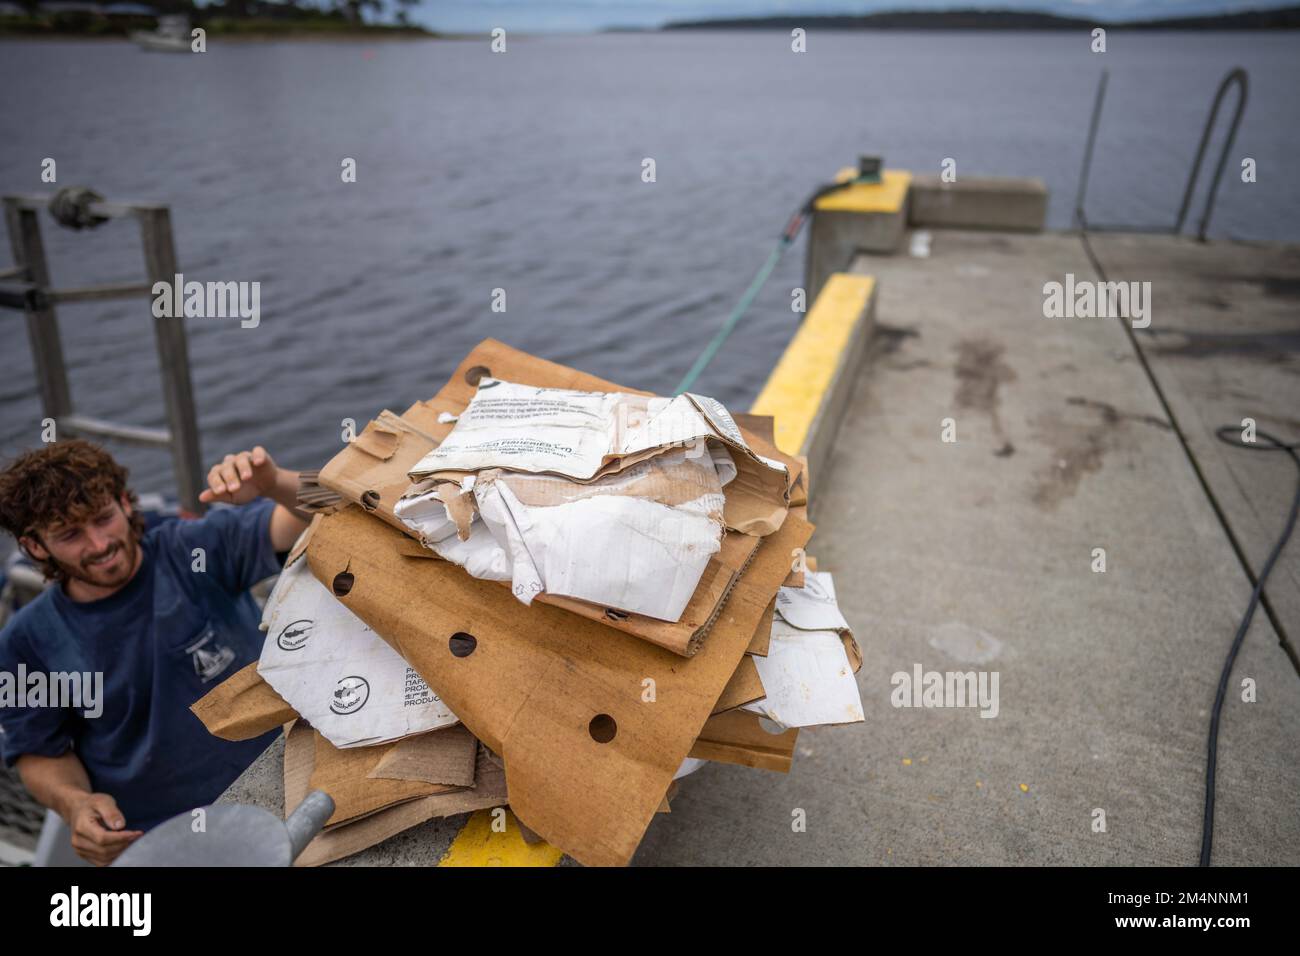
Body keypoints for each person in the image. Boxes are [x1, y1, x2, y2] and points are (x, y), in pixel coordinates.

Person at [0, 439, 309, 864]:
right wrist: (75, 804)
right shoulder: (26, 640)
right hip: (167, 839)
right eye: (70, 535)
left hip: (294, 777)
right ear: (34, 546)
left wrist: (274, 483)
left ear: (126, 503)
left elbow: (325, 510)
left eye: (104, 518)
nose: (99, 544)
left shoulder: (194, 551)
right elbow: (38, 749)